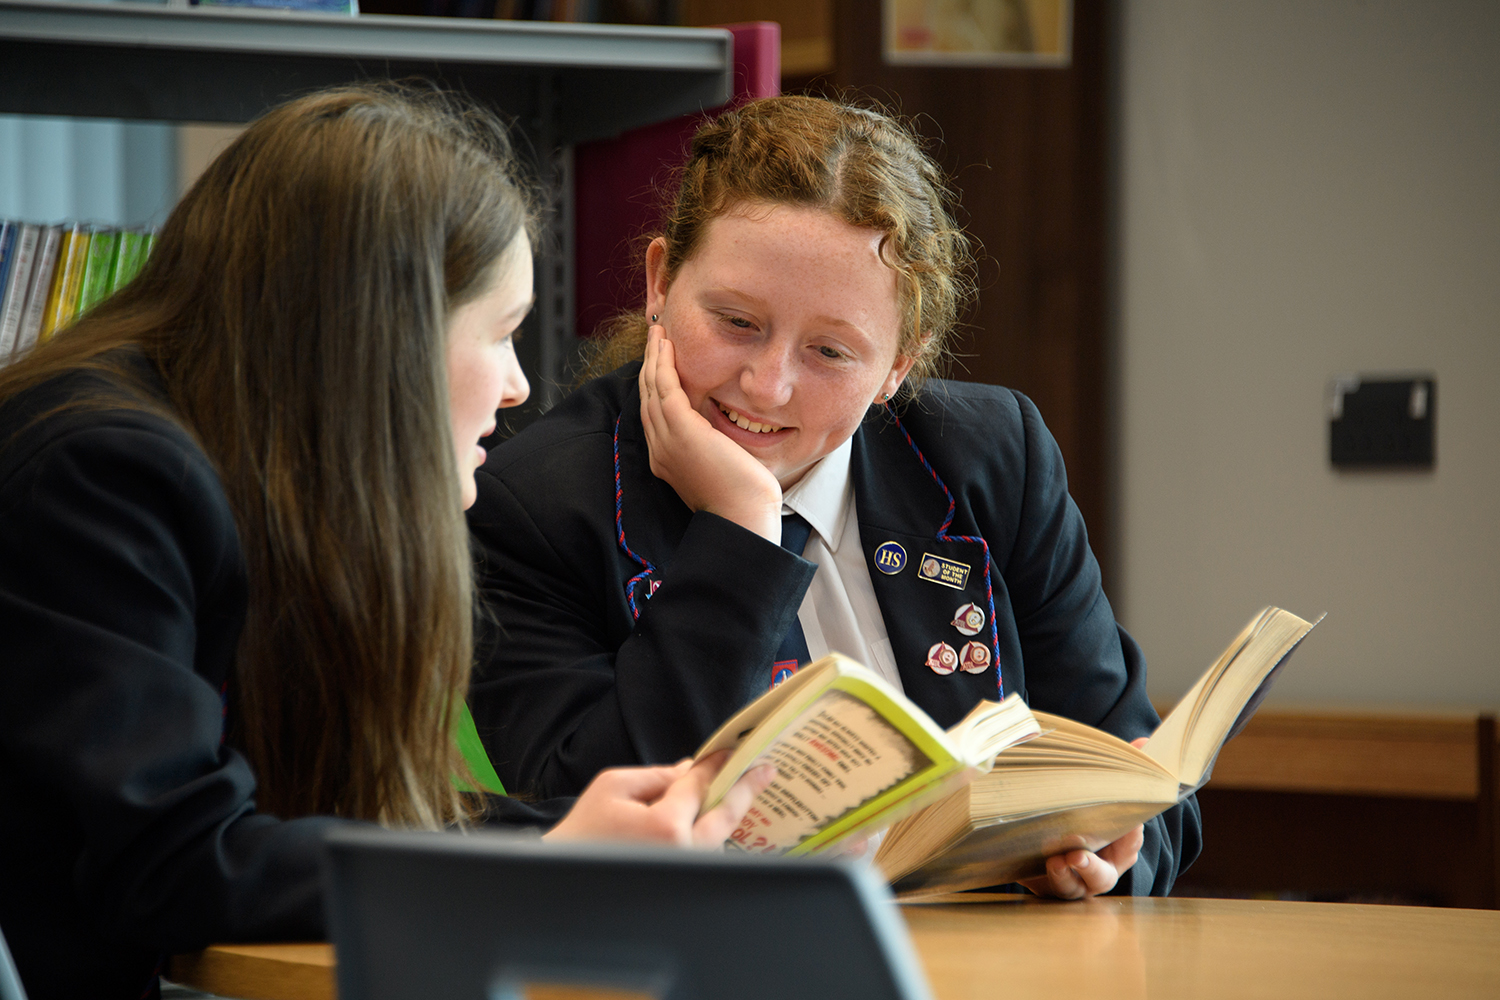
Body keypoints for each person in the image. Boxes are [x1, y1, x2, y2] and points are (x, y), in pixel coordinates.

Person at [0, 84, 768, 1000]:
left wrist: (559, 838)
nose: (520, 387)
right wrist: (549, 856)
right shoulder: (101, 472)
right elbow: (171, 863)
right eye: (501, 333)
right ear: (387, 334)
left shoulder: (232, 463)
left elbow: (294, 824)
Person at [466, 94, 1202, 899]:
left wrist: (1111, 854)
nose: (768, 383)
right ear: (659, 284)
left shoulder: (992, 457)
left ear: (899, 365)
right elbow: (595, 822)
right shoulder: (532, 505)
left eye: (830, 351)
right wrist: (739, 536)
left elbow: (1144, 784)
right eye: (737, 321)